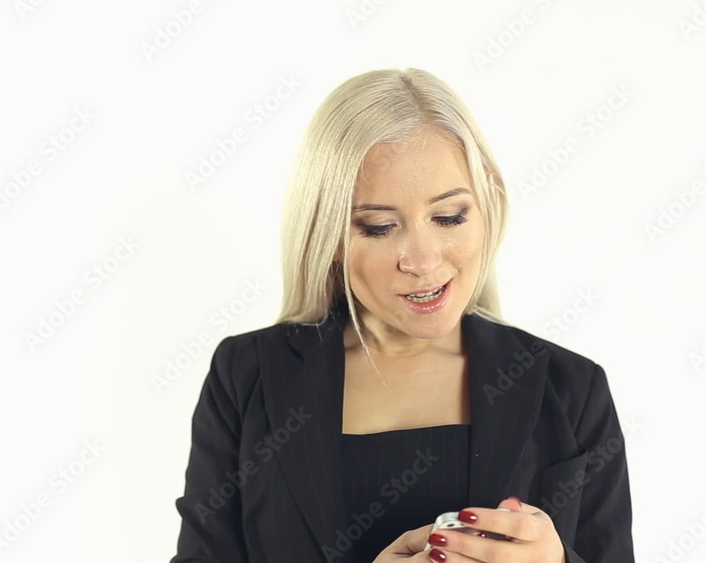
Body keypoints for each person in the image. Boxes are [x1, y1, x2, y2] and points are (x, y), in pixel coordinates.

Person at [171, 67, 634, 562]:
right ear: (326, 235)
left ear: (488, 205)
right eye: (377, 227)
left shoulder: (570, 389)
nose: (422, 260)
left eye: (449, 217)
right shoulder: (247, 376)